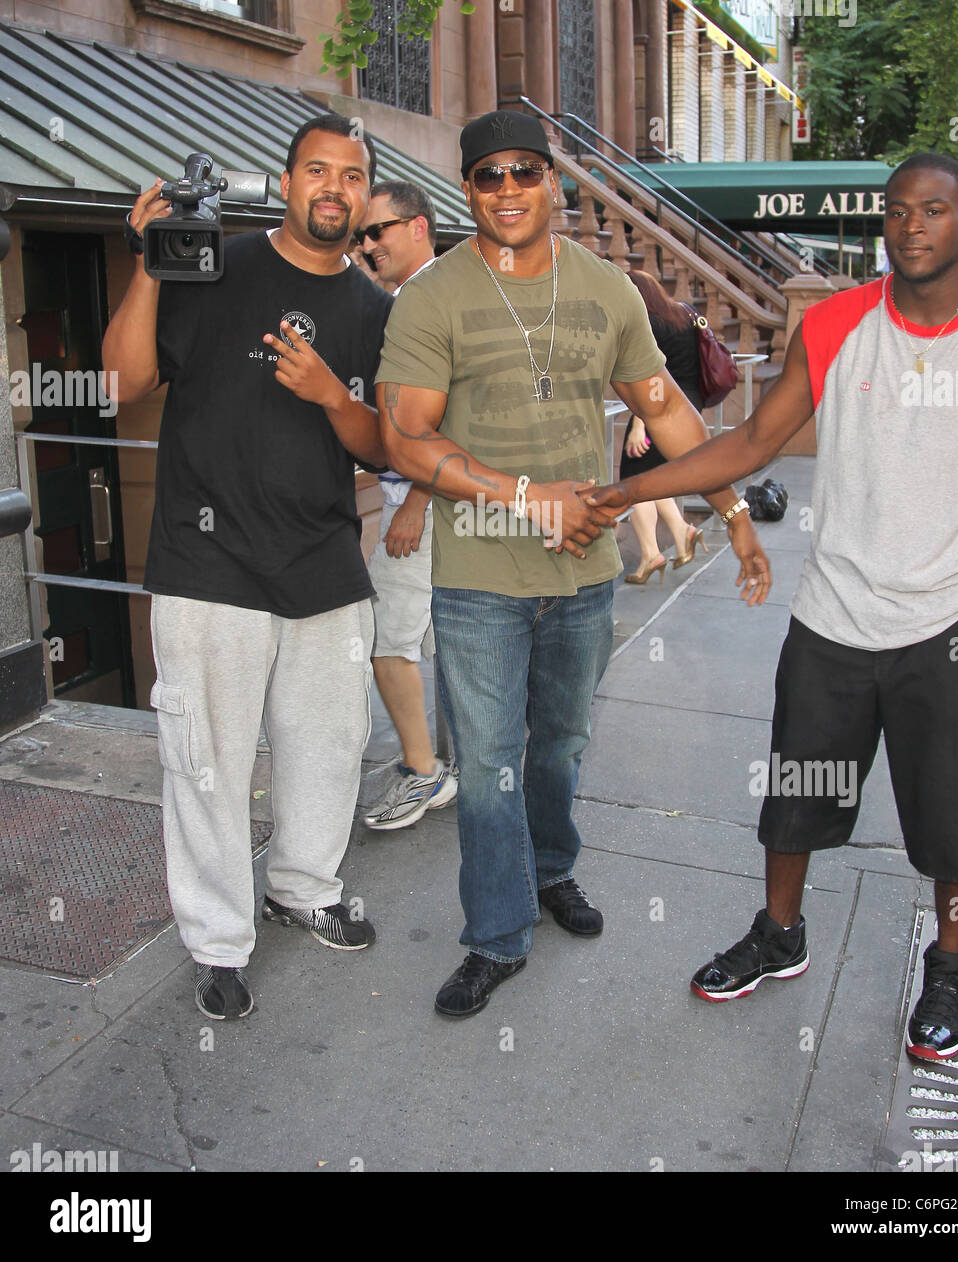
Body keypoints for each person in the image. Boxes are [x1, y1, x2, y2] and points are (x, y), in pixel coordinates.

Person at [590, 151, 958, 1062]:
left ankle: (948, 964)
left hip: (953, 620)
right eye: (897, 211)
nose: (910, 226)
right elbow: (750, 439)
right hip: (834, 618)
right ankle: (780, 933)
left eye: (933, 211)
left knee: (953, 818)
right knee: (796, 798)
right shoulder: (834, 328)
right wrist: (632, 491)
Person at [374, 109, 771, 1017]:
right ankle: (497, 935)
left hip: (584, 579)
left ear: (552, 181)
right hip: (478, 581)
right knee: (487, 766)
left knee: (557, 751)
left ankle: (551, 872)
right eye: (488, 176)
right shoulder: (432, 297)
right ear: (466, 190)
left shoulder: (608, 290)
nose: (507, 189)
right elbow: (406, 439)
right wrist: (526, 495)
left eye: (524, 171)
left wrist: (736, 511)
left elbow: (665, 410)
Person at [102, 114, 392, 1021]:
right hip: (206, 563)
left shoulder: (377, 310)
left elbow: (388, 445)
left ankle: (304, 886)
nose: (333, 188)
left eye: (351, 175)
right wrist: (152, 262)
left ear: (365, 194)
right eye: (317, 170)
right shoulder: (211, 262)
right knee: (207, 762)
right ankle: (218, 941)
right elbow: (118, 386)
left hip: (323, 562)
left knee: (329, 745)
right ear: (288, 178)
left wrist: (329, 393)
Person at [359, 182, 458, 831]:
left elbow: (456, 413)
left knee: (385, 643)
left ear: (418, 226)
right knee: (437, 639)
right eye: (362, 235)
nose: (367, 245)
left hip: (426, 502)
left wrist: (415, 500)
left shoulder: (430, 300)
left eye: (378, 232)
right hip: (448, 504)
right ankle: (463, 762)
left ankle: (424, 772)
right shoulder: (420, 295)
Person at [619, 271, 709, 584]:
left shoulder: (650, 325)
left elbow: (648, 376)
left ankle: (650, 555)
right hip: (688, 403)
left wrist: (638, 426)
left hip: (658, 407)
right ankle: (682, 533)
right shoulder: (687, 313)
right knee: (652, 477)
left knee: (635, 482)